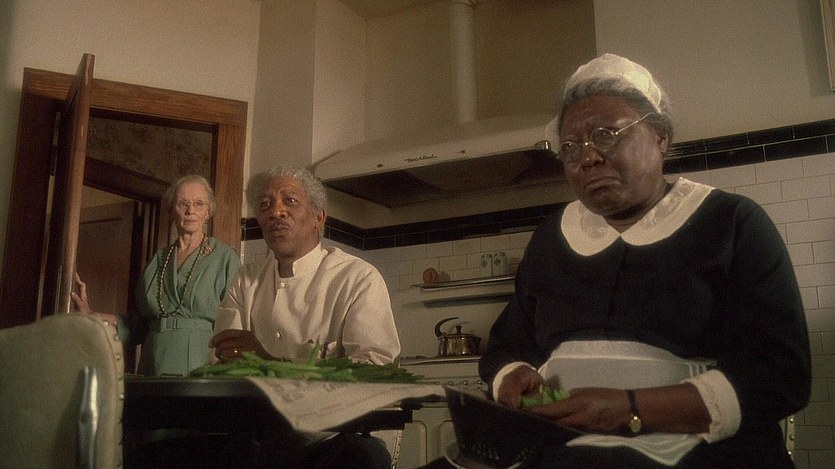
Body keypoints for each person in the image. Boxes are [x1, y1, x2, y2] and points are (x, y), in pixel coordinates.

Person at [442, 54, 810, 469]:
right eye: (569, 148)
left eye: (606, 134)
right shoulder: (550, 239)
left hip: (695, 447)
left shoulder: (730, 223)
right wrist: (513, 375)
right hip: (559, 442)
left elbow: (780, 375)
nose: (587, 157)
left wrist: (630, 408)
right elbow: (507, 345)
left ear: (661, 137)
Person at [207, 165, 401, 469]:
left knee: (362, 458)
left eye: (290, 201)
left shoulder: (357, 278)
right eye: (265, 205)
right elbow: (225, 364)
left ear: (318, 217)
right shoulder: (245, 280)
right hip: (266, 436)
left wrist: (271, 364)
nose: (276, 212)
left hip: (339, 436)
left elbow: (373, 371)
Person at [72, 174, 241, 377]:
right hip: (153, 360)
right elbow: (139, 325)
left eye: (198, 204)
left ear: (208, 212)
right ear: (171, 211)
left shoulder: (224, 258)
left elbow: (235, 325)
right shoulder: (158, 259)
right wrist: (91, 314)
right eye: (183, 203)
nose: (190, 211)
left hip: (201, 361)